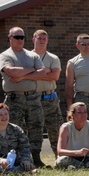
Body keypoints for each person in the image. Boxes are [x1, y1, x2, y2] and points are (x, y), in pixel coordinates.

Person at [0, 27, 47, 166]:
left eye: (22, 37)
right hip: (14, 98)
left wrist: (22, 75)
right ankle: (17, 158)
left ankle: (36, 157)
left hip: (33, 97)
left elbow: (42, 73)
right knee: (15, 128)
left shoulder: (33, 56)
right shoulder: (5, 55)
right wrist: (32, 71)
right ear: (10, 37)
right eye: (17, 37)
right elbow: (11, 72)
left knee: (36, 126)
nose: (20, 40)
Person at [0, 103, 37, 176]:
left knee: (28, 164)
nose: (4, 117)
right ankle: (24, 172)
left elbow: (25, 147)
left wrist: (25, 159)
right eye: (0, 115)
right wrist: (0, 160)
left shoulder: (16, 130)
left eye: (6, 114)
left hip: (16, 160)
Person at [31, 30, 63, 163]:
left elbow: (55, 76)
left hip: (50, 98)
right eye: (39, 38)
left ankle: (59, 157)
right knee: (35, 129)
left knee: (56, 128)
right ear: (34, 39)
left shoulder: (53, 58)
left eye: (44, 38)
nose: (42, 40)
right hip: (34, 98)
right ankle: (36, 159)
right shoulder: (28, 56)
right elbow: (23, 76)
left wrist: (36, 73)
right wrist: (46, 71)